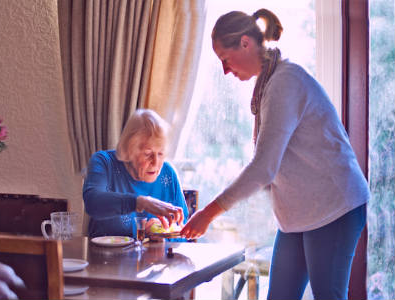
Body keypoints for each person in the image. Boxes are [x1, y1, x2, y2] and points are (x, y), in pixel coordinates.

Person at [180, 8, 369, 300]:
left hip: (334, 207)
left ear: (245, 43)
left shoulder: (285, 82)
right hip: (298, 216)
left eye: (225, 59)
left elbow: (263, 168)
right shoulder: (268, 84)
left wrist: (209, 213)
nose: (225, 70)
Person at [83, 108, 188, 239]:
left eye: (160, 153)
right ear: (129, 150)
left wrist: (163, 234)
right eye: (148, 154)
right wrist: (140, 202)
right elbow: (92, 202)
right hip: (105, 258)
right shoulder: (104, 162)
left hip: (157, 259)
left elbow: (184, 231)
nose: (156, 162)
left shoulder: (168, 173)